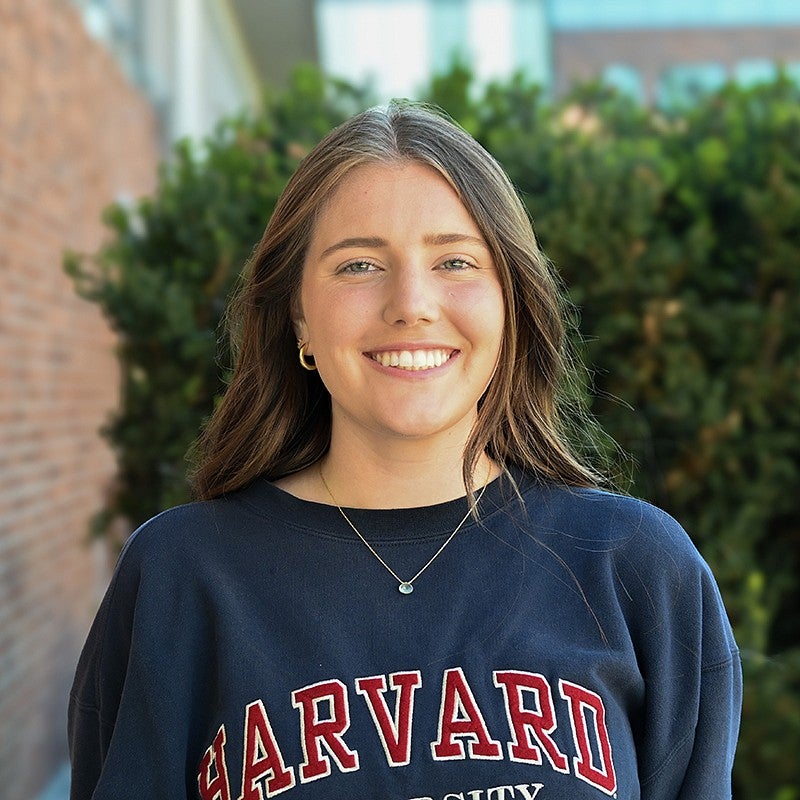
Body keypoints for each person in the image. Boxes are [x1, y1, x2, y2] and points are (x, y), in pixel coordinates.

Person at [68, 102, 741, 800]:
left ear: (510, 302)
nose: (411, 303)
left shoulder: (637, 570)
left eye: (455, 261)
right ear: (298, 314)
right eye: (358, 264)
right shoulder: (181, 578)